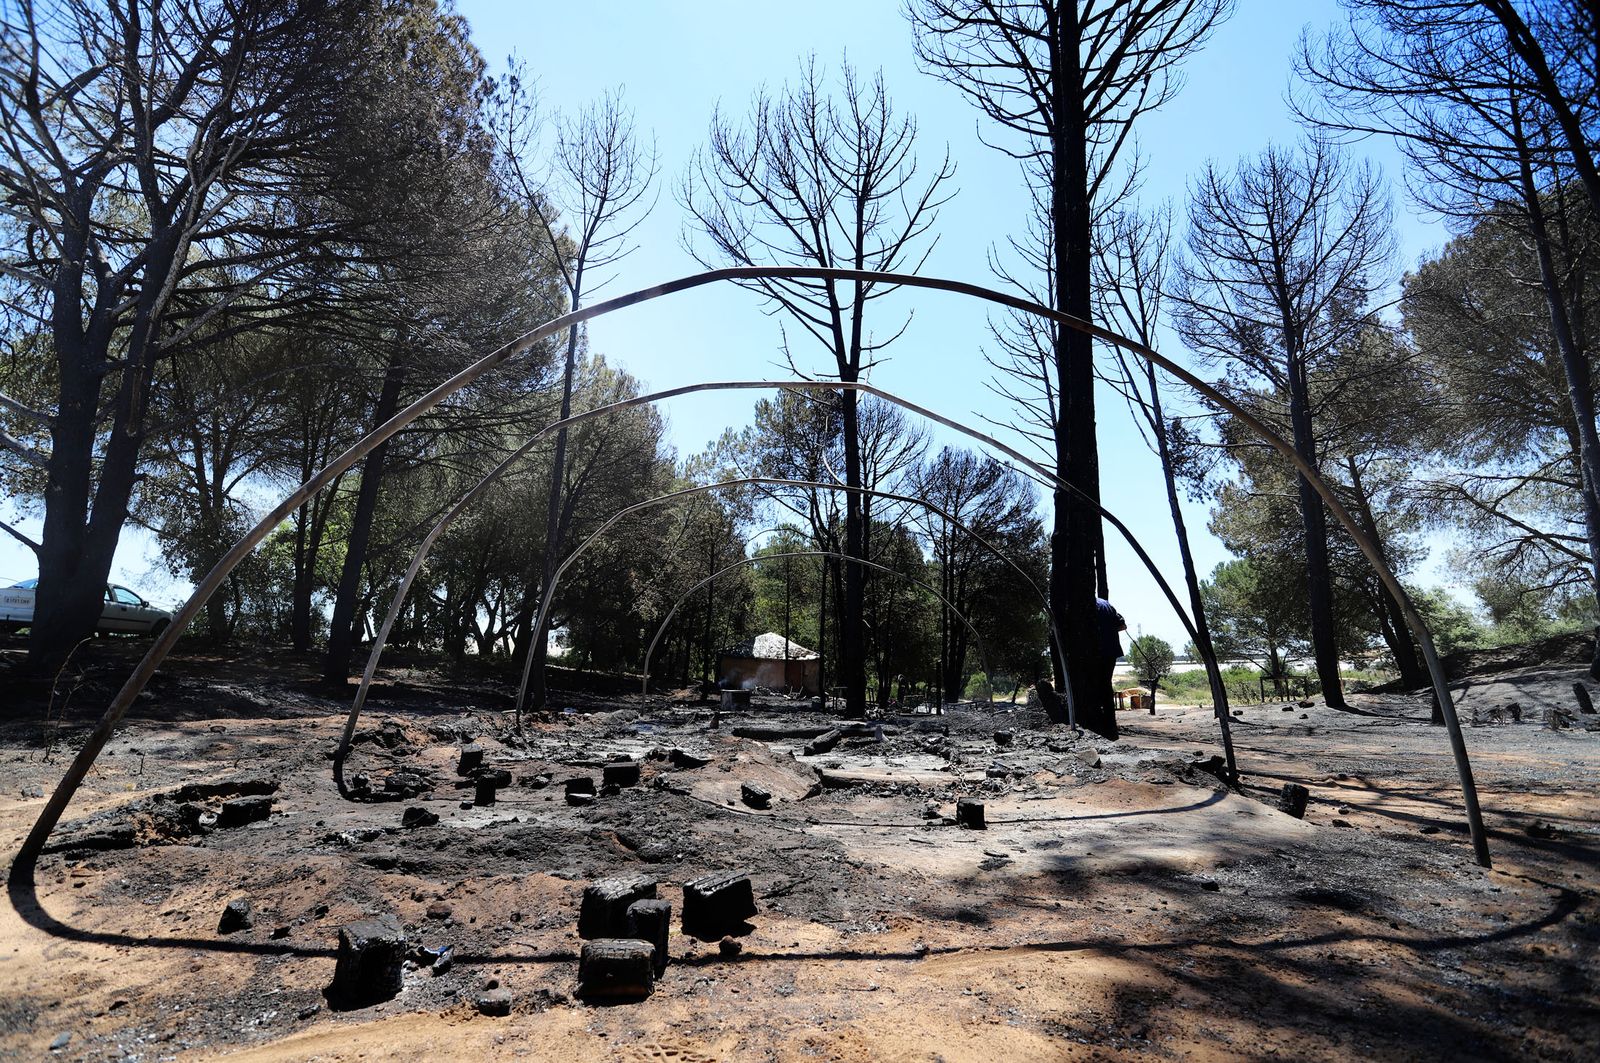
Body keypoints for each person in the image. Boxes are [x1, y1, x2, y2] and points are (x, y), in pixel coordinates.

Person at [1096, 596, 1127, 726]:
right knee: (1106, 684)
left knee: (1097, 684)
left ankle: (1101, 719)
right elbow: (1122, 626)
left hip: (1098, 651)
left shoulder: (1086, 604)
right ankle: (1109, 720)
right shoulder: (1105, 604)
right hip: (1111, 650)